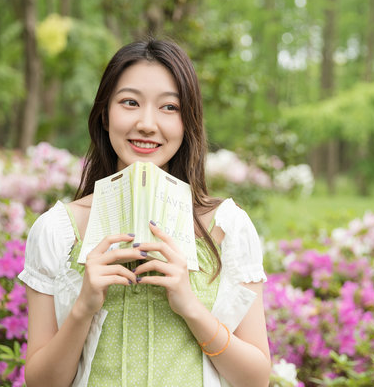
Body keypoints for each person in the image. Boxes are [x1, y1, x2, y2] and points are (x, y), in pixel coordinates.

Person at [19, 38, 271, 386]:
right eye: (130, 102)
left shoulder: (227, 226)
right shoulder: (57, 230)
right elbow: (42, 383)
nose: (147, 124)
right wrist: (84, 307)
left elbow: (256, 379)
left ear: (188, 121)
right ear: (105, 115)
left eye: (169, 107)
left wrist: (190, 306)